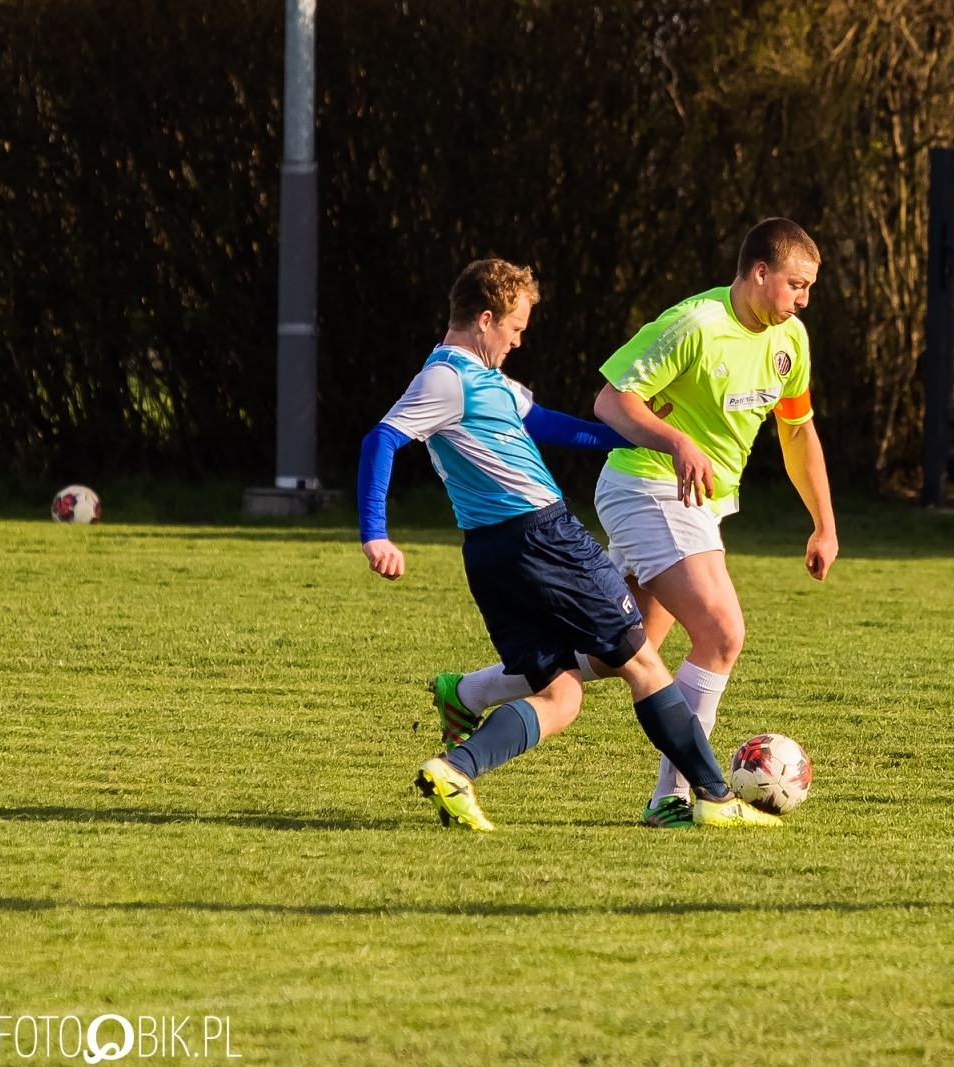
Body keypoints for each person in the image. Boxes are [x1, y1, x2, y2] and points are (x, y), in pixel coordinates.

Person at [427, 218, 838, 828]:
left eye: (808, 288)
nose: (804, 299)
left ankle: (470, 692)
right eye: (796, 285)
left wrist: (823, 524)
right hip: (650, 486)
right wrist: (676, 442)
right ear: (760, 273)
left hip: (701, 500)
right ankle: (685, 797)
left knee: (623, 648)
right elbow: (610, 401)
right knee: (722, 633)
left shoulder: (791, 340)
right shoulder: (694, 325)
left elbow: (798, 430)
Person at [357, 257, 781, 830]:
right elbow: (379, 439)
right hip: (543, 538)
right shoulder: (446, 379)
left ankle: (455, 769)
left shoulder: (490, 382)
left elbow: (551, 424)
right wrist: (375, 534)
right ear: (485, 319)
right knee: (643, 662)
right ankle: (710, 796)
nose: (518, 340)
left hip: (489, 554)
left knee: (562, 696)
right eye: (515, 328)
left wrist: (638, 437)